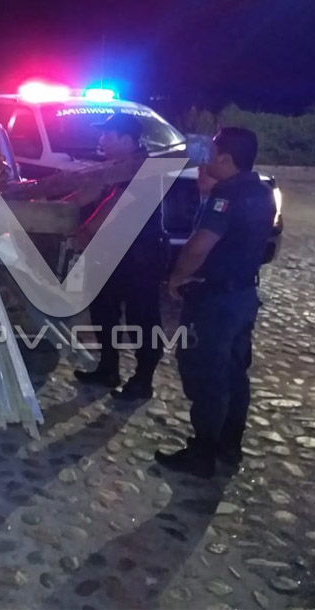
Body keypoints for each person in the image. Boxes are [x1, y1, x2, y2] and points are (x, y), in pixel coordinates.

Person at [156, 127, 275, 478]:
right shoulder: (261, 190)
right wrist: (206, 193)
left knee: (206, 373)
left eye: (212, 154)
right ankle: (229, 445)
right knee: (235, 372)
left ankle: (202, 453)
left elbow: (198, 246)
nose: (205, 160)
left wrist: (176, 277)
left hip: (215, 300)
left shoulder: (227, 195)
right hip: (243, 296)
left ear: (226, 158)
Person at [72, 113, 167, 401]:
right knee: (104, 312)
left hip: (140, 256)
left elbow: (109, 210)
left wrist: (82, 233)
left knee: (142, 319)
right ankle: (108, 369)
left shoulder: (142, 169)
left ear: (126, 140)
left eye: (107, 134)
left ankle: (143, 380)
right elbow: (84, 196)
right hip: (114, 253)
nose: (101, 139)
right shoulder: (117, 167)